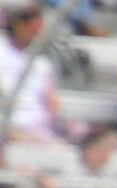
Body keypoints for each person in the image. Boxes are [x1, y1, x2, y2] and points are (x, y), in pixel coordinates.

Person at [2, 1, 76, 152]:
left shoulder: (42, 63)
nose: (38, 34)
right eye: (34, 29)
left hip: (39, 130)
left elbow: (52, 102)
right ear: (19, 26)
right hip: (9, 127)